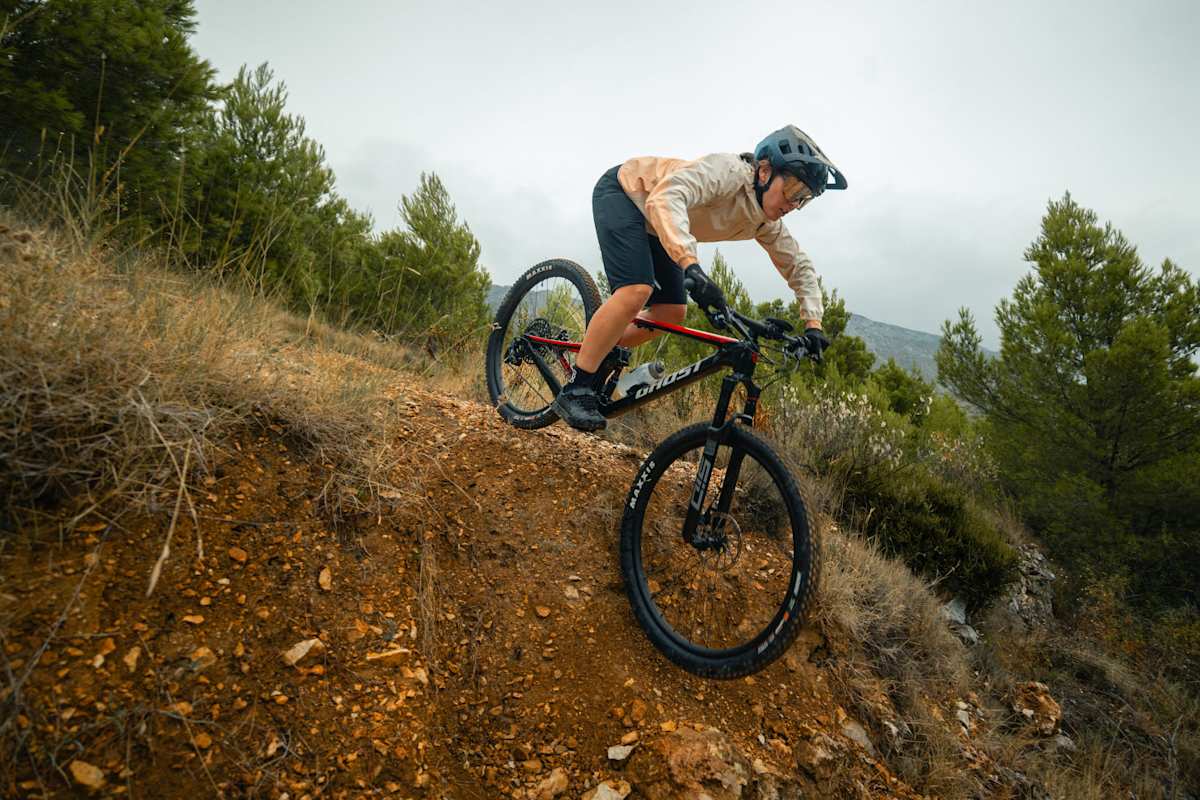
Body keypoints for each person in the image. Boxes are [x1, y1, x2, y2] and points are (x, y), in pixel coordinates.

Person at [551, 125, 847, 431]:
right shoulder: (729, 172)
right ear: (765, 171)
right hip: (628, 193)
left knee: (672, 313)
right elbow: (666, 197)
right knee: (635, 290)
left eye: (804, 199)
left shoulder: (764, 222)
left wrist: (814, 326)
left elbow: (799, 265)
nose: (794, 204)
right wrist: (691, 265)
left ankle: (597, 345)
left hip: (661, 223)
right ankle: (576, 388)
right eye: (794, 190)